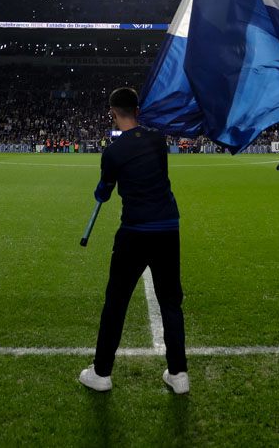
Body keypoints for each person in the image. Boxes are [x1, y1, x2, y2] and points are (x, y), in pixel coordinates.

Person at [78, 87, 189, 394]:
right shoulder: (157, 141)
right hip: (168, 227)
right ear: (138, 110)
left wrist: (101, 189)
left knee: (116, 302)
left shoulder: (113, 152)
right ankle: (179, 374)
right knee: (171, 301)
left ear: (112, 113)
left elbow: (105, 191)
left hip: (136, 232)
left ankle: (101, 373)